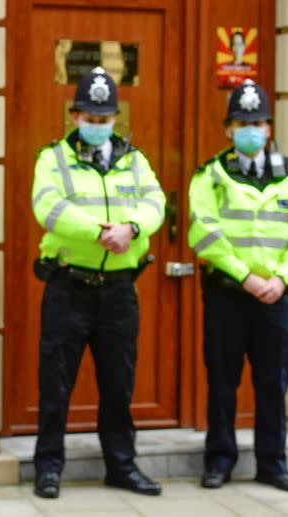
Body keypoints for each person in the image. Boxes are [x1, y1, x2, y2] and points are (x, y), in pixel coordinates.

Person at [30, 67, 166, 498]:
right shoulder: (52, 158)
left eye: (103, 118)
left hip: (119, 290)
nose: (96, 124)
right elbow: (47, 208)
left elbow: (155, 202)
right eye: (89, 117)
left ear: (115, 118)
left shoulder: (135, 159)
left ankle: (121, 466)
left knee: (118, 384)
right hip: (69, 286)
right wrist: (100, 232)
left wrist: (132, 229)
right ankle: (48, 468)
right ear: (74, 116)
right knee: (56, 384)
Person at [188, 79, 288, 492]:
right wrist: (247, 278)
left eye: (258, 122)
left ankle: (273, 464)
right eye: (243, 123)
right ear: (229, 129)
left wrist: (279, 279)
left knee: (273, 383)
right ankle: (219, 461)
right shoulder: (211, 174)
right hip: (228, 294)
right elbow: (203, 234)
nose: (251, 129)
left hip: (276, 297)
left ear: (270, 128)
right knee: (223, 381)